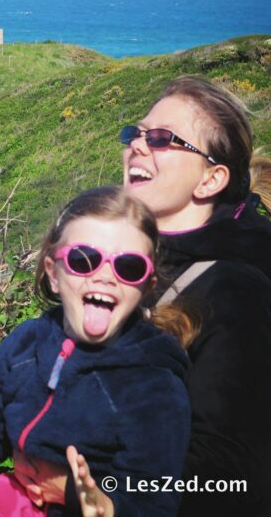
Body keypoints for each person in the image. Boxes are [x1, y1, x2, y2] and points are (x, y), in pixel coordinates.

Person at [0, 187, 192, 516]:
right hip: (20, 496)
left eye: (129, 267)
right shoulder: (27, 343)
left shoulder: (152, 381)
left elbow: (154, 496)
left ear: (147, 287)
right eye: (84, 260)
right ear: (53, 273)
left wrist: (103, 503)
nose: (106, 276)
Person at [121, 75, 271, 516]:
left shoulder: (235, 293)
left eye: (163, 139)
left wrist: (93, 487)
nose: (138, 145)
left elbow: (232, 477)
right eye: (136, 133)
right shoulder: (128, 263)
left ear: (211, 180)